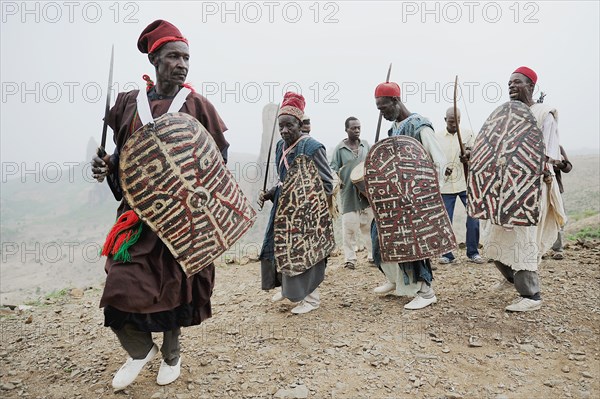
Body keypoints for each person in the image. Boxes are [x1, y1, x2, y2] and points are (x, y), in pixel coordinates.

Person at [91, 20, 229, 389]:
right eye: (173, 56)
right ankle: (140, 350)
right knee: (119, 286)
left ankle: (172, 354)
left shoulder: (197, 105)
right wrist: (108, 165)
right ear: (155, 60)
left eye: (186, 57)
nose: (182, 64)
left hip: (181, 219)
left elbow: (218, 159)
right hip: (137, 218)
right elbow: (123, 155)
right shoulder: (127, 105)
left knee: (175, 289)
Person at [484, 66, 566, 312]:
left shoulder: (544, 114)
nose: (511, 86)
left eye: (517, 82)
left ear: (531, 86)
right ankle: (511, 279)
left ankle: (531, 296)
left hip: (531, 187)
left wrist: (526, 165)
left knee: (524, 238)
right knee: (493, 235)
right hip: (505, 186)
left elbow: (550, 153)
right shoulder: (508, 114)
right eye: (509, 82)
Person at [371, 82, 446, 310]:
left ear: (395, 101)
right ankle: (395, 279)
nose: (382, 113)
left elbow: (438, 162)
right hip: (396, 200)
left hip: (417, 200)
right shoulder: (393, 129)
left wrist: (424, 194)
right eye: (378, 109)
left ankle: (426, 291)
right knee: (379, 237)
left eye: (384, 108)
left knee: (415, 245)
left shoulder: (420, 126)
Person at [259, 92, 334, 314]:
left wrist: (304, 199)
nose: (284, 130)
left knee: (304, 253)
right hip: (283, 210)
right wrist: (271, 192)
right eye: (281, 126)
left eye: (289, 125)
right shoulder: (279, 146)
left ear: (300, 124)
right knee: (281, 249)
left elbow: (327, 184)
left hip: (307, 214)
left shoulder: (313, 147)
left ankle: (311, 298)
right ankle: (288, 290)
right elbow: (285, 179)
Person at [436, 107, 484, 264]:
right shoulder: (437, 137)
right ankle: (446, 254)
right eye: (451, 121)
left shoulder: (468, 133)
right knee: (445, 221)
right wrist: (443, 169)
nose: (454, 124)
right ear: (445, 120)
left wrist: (468, 155)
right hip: (446, 185)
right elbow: (434, 159)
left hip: (465, 183)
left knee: (473, 218)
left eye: (457, 121)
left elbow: (477, 152)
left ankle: (473, 252)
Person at [330, 117, 374, 269]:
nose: (356, 130)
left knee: (369, 226)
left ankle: (373, 256)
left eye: (358, 128)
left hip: (366, 194)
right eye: (353, 128)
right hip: (348, 194)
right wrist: (336, 182)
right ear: (346, 129)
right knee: (349, 229)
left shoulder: (366, 145)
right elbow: (333, 168)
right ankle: (350, 259)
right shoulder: (340, 149)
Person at [550, 145, 573, 259]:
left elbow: (568, 167)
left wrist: (559, 163)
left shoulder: (557, 147)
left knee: (558, 218)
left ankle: (558, 249)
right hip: (537, 191)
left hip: (556, 190)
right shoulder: (531, 146)